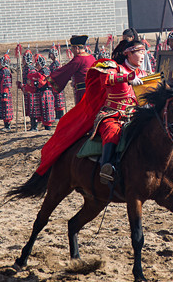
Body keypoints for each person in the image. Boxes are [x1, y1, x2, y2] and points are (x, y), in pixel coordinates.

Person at [30, 38, 147, 185]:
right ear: (128, 53)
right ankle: (107, 167)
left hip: (134, 115)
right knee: (112, 132)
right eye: (139, 52)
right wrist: (127, 77)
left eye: (144, 52)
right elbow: (107, 79)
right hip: (113, 114)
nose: (143, 55)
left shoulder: (143, 72)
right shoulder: (113, 67)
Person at [49, 35, 96, 106]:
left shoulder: (78, 59)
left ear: (77, 48)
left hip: (83, 92)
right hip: (93, 91)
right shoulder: (92, 57)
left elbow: (65, 71)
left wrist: (50, 79)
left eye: (72, 48)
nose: (72, 51)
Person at [19, 54, 56, 130]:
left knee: (46, 111)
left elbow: (43, 82)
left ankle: (47, 128)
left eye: (38, 64)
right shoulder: (43, 71)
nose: (36, 66)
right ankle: (45, 127)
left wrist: (32, 83)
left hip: (46, 92)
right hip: (43, 93)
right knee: (44, 112)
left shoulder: (45, 71)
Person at [0, 53, 14, 130]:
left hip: (4, 93)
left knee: (6, 110)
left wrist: (4, 94)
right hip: (1, 92)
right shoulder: (2, 71)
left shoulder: (5, 71)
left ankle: (7, 126)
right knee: (3, 110)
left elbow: (5, 84)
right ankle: (6, 125)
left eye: (0, 62)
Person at [21, 49, 39, 130]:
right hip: (27, 91)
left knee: (33, 109)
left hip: (32, 92)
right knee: (29, 109)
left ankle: (34, 126)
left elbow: (32, 81)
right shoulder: (25, 68)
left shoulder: (30, 68)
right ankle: (32, 125)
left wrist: (25, 85)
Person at [47, 47, 66, 120]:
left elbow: (57, 75)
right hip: (53, 84)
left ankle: (60, 116)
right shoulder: (52, 64)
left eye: (51, 54)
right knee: (55, 100)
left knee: (59, 100)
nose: (50, 56)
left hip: (57, 84)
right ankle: (57, 116)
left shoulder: (57, 64)